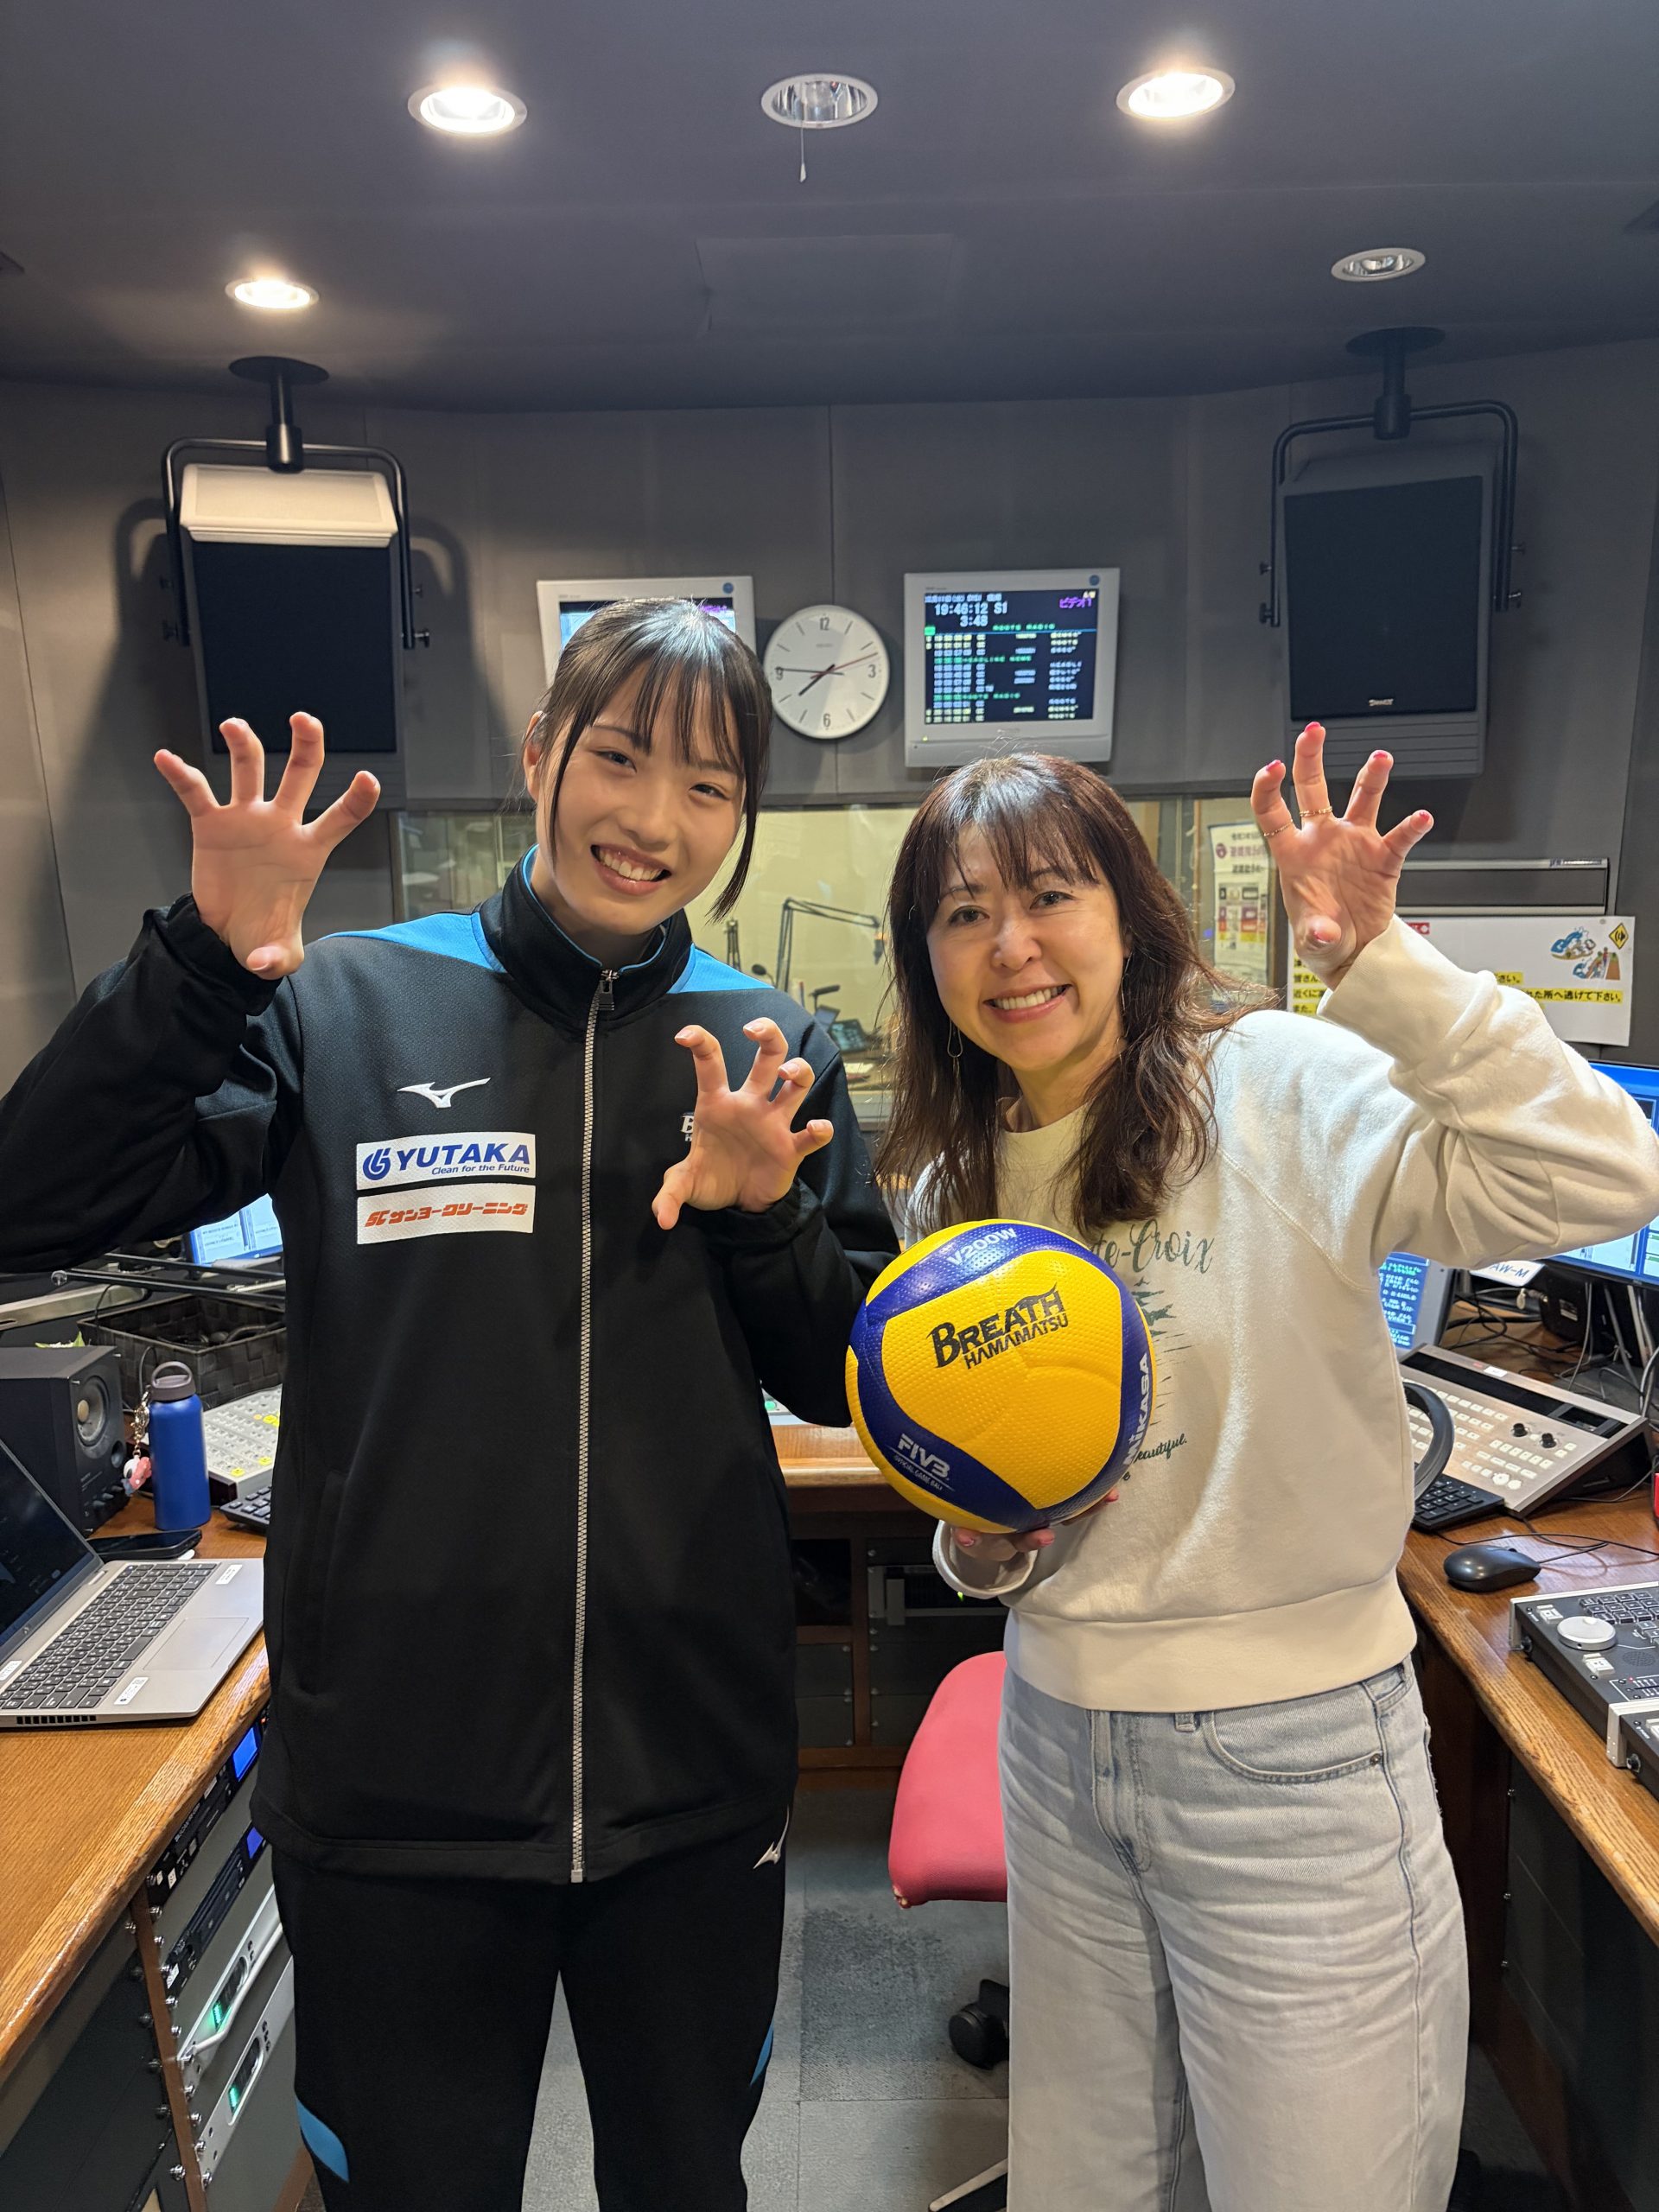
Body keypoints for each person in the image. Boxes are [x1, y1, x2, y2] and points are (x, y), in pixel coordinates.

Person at [0, 599, 896, 2211]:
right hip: (394, 1791)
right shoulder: (343, 1003)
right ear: (541, 753)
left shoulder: (769, 1044)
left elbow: (846, 1376)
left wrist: (766, 1215)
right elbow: (36, 1200)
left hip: (691, 1781)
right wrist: (196, 963)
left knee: (689, 2184)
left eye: (708, 786)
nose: (655, 818)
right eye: (620, 758)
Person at [877, 728, 1659, 2212]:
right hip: (1056, 1736)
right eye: (964, 913)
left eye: (1048, 895)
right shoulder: (948, 1184)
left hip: (1292, 1758)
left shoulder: (1275, 1084)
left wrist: (1384, 965)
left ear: (1128, 913)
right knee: (1088, 2190)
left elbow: (1607, 1175)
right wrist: (983, 1545)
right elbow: (986, 1519)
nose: (1012, 946)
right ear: (929, 961)